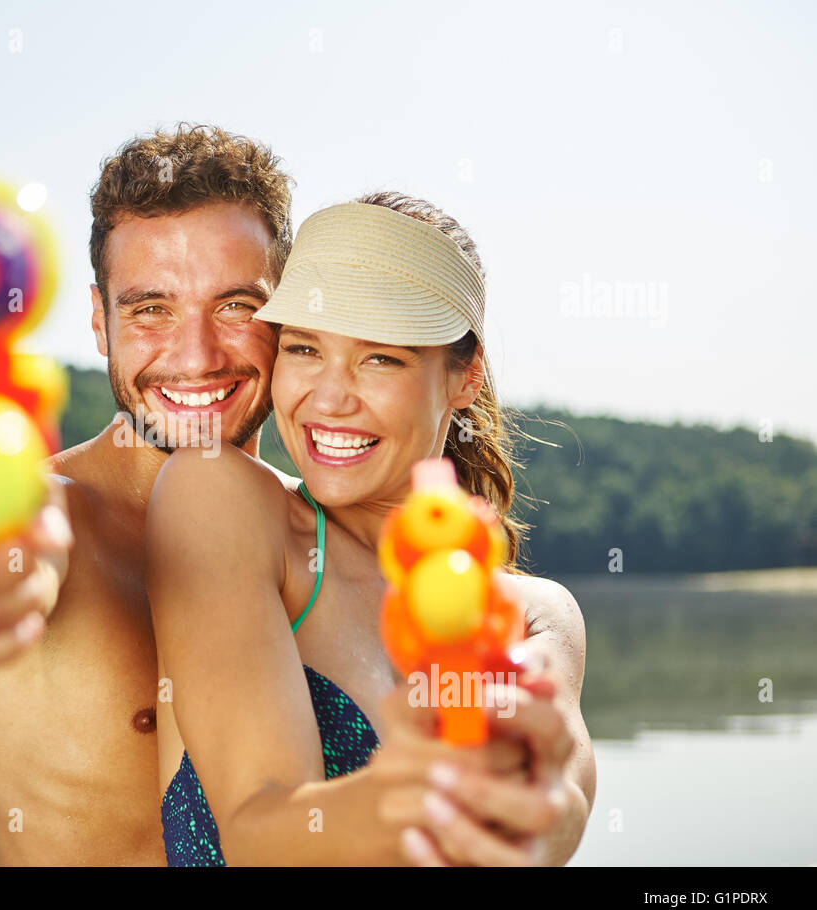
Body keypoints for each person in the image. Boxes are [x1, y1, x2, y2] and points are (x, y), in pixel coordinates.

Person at [0, 124, 595, 865]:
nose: (197, 356)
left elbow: (554, 801)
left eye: (236, 307)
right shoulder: (58, 515)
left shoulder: (299, 541)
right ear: (100, 322)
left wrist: (528, 799)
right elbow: (4, 542)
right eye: (151, 310)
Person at [150, 193, 594, 865]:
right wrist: (413, 792)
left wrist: (533, 804)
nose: (329, 399)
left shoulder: (535, 617)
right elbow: (254, 832)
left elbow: (560, 816)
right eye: (303, 348)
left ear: (464, 376)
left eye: (380, 358)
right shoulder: (222, 501)